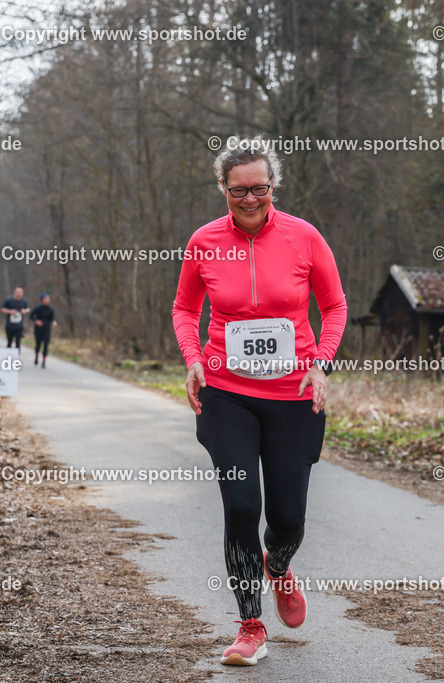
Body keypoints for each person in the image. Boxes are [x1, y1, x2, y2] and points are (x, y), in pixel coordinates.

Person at [172, 136, 347, 666]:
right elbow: (184, 309)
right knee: (241, 506)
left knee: (289, 518)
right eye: (238, 190)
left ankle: (279, 565)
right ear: (222, 188)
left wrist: (322, 363)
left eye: (259, 189)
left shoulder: (305, 237)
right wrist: (193, 357)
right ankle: (250, 626)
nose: (250, 199)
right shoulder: (203, 241)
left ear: (273, 186)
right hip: (226, 393)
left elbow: (334, 307)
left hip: (293, 393)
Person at [29, 293, 57, 368]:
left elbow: (52, 318)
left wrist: (54, 321)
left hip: (47, 328)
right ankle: (36, 357)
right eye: (45, 299)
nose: (47, 300)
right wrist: (36, 321)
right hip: (38, 329)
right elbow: (31, 316)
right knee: (38, 344)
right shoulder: (38, 308)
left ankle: (44, 361)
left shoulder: (51, 309)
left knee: (46, 345)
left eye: (48, 299)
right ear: (42, 300)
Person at [1, 286, 31, 351]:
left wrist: (24, 311)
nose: (18, 294)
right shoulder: (9, 300)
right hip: (10, 325)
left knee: (18, 342)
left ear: (22, 294)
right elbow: (2, 309)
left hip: (19, 325)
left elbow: (28, 309)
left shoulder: (24, 301)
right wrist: (10, 311)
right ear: (14, 292)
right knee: (9, 342)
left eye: (20, 292)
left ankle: (16, 357)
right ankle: (8, 357)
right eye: (17, 292)